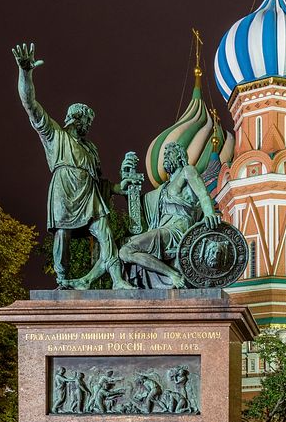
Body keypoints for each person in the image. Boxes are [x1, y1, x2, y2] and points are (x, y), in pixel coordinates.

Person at [12, 43, 133, 289]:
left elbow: (100, 182)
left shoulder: (91, 149)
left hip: (89, 194)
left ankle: (118, 280)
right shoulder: (55, 134)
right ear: (75, 118)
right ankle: (62, 279)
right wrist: (25, 73)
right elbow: (30, 104)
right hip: (64, 188)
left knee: (105, 232)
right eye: (86, 120)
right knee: (63, 235)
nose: (88, 125)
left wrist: (120, 187)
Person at [119, 142, 220, 288]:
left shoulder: (187, 171)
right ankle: (94, 281)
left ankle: (173, 275)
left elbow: (203, 194)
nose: (165, 157)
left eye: (169, 153)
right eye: (164, 155)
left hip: (177, 231)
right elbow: (138, 209)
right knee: (119, 246)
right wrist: (127, 180)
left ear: (180, 156)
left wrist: (210, 213)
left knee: (126, 251)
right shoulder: (162, 189)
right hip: (162, 230)